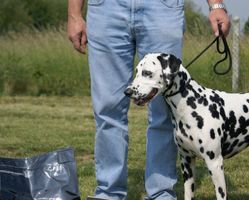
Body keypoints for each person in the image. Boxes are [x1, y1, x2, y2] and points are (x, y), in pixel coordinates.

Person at [67, 0, 230, 199]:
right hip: (106, 9)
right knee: (107, 109)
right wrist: (74, 14)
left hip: (162, 8)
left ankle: (161, 193)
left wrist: (215, 5)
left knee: (165, 110)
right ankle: (108, 193)